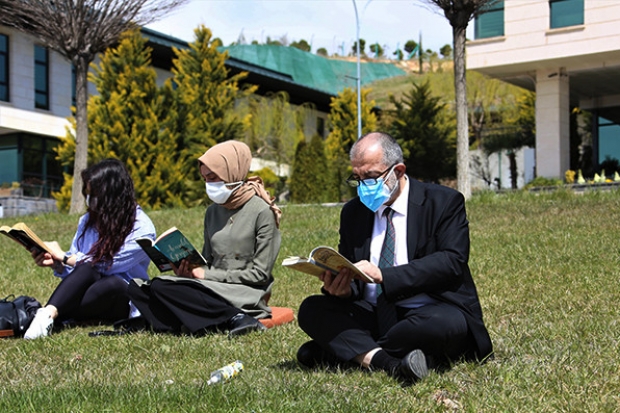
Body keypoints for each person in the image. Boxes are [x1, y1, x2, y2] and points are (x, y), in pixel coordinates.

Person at [296, 132, 493, 382]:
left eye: (370, 177)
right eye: (357, 178)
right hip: (374, 313)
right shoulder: (354, 213)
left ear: (398, 171)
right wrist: (344, 289)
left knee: (445, 324)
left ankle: (344, 351)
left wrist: (385, 276)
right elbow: (354, 272)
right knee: (312, 309)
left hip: (428, 310)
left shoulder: (443, 202)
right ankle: (389, 363)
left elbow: (451, 262)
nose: (364, 186)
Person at [127, 140, 282, 338]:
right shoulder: (212, 212)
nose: (209, 185)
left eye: (213, 177)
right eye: (205, 179)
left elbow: (259, 274)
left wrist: (205, 276)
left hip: (245, 291)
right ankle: (190, 318)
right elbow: (207, 262)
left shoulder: (262, 212)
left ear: (231, 172)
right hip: (210, 286)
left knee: (162, 287)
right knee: (138, 287)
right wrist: (188, 270)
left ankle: (235, 317)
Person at [24, 159, 156, 339]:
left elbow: (107, 265)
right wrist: (57, 264)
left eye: (94, 194)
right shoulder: (87, 221)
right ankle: (48, 314)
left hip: (120, 297)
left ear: (112, 194)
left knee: (113, 282)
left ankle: (54, 314)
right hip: (91, 293)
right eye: (87, 193)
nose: (89, 199)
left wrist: (63, 256)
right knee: (86, 268)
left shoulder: (142, 228)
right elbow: (78, 270)